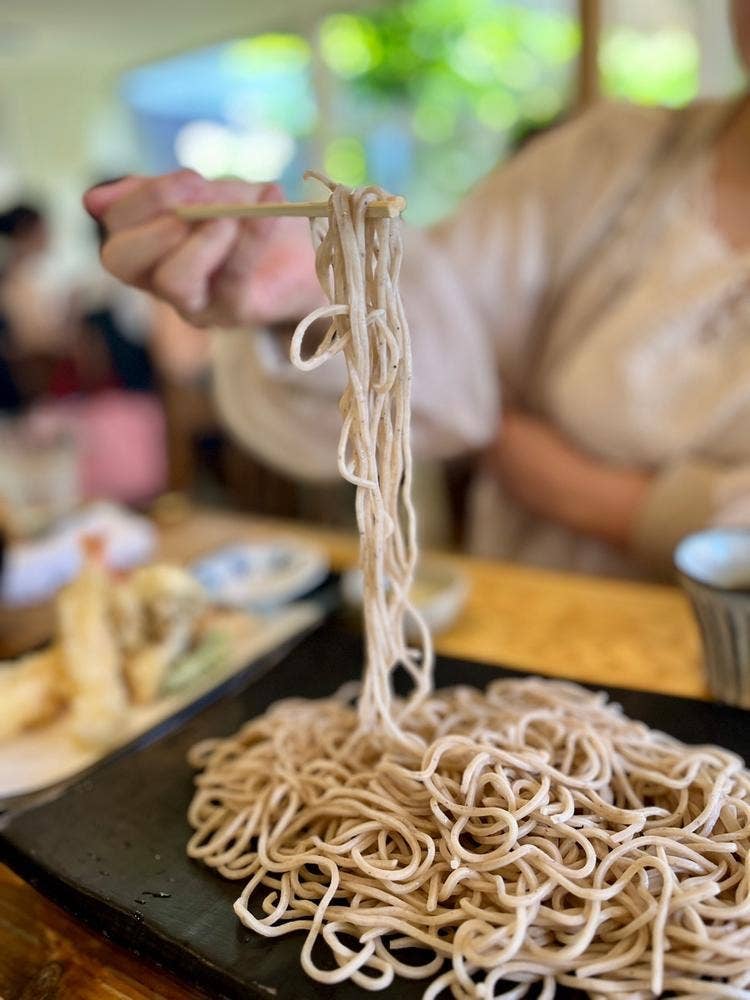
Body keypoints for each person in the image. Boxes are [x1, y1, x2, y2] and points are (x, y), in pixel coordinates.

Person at [84, 2, 750, 580]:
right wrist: (309, 294)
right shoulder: (612, 156)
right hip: (521, 623)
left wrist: (548, 468)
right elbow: (436, 345)